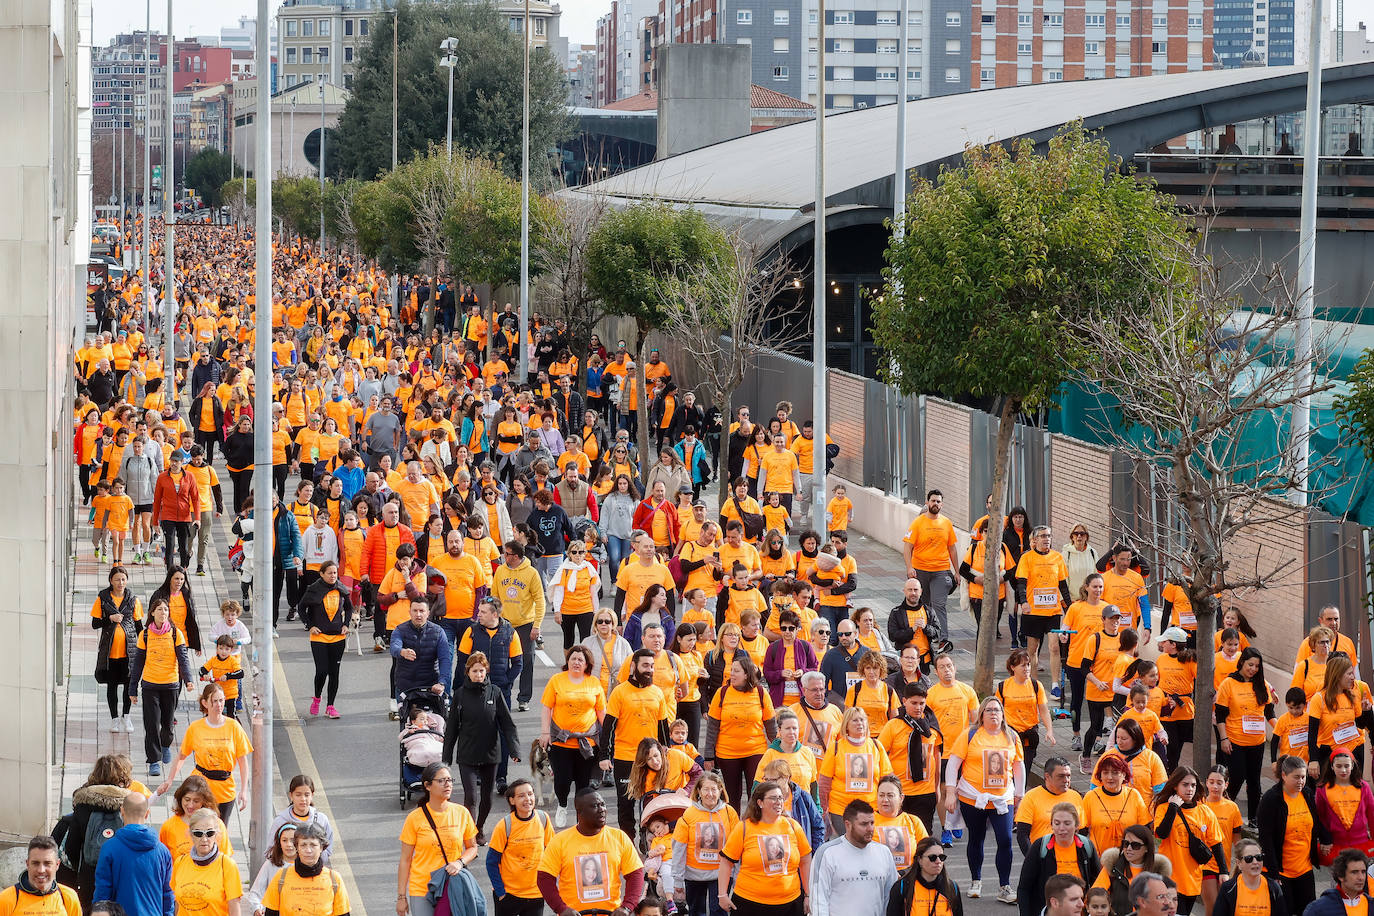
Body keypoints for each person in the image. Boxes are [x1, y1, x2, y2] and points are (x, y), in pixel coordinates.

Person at [944, 696, 1024, 902]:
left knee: (1005, 839)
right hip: (973, 797)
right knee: (976, 838)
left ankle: (1005, 886)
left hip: (1002, 798)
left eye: (997, 710)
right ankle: (975, 881)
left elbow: (1019, 766)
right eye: (989, 710)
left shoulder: (1011, 736)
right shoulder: (970, 735)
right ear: (981, 714)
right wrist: (951, 792)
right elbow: (953, 765)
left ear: (1002, 714)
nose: (993, 713)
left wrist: (1019, 795)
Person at [444, 653, 520, 844]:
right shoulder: (460, 695)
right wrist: (446, 758)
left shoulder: (494, 692)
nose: (478, 674)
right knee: (471, 796)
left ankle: (479, 828)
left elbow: (507, 724)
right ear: (468, 672)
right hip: (467, 753)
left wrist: (514, 750)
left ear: (486, 671)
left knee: (487, 797)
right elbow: (452, 727)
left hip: (490, 753)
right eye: (475, 671)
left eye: (481, 671)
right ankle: (469, 834)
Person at [537, 788, 646, 916]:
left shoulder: (619, 837)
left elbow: (635, 874)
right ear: (579, 813)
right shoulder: (560, 841)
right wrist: (561, 909)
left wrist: (627, 907)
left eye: (603, 804)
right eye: (594, 806)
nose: (602, 809)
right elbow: (544, 878)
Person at [602, 649, 673, 839]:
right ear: (634, 666)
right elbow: (608, 727)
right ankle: (628, 841)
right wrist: (604, 756)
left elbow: (663, 726)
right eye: (645, 665)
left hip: (650, 759)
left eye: (652, 666)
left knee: (651, 802)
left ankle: (646, 838)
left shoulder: (657, 692)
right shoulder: (620, 692)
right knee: (625, 803)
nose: (649, 670)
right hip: (625, 757)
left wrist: (667, 752)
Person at [157, 683, 253, 820]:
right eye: (214, 701)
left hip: (225, 789)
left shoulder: (234, 727)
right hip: (200, 788)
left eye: (221, 700)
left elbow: (243, 762)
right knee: (199, 829)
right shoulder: (196, 728)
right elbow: (182, 756)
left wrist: (244, 790)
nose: (219, 705)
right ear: (205, 703)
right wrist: (169, 780)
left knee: (219, 832)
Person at [718, 782, 813, 916]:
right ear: (760, 802)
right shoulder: (744, 827)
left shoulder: (792, 826)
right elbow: (726, 862)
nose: (778, 802)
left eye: (780, 798)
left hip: (790, 904)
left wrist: (808, 894)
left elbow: (805, 859)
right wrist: (722, 894)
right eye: (773, 798)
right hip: (750, 903)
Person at [397, 763, 479, 916]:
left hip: (451, 885)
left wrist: (459, 863)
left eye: (449, 780)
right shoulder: (414, 818)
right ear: (427, 786)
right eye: (441, 781)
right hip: (422, 887)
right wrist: (401, 897)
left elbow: (472, 847)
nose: (447, 784)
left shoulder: (461, 812)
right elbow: (405, 860)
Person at [540, 644, 608, 827]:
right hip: (561, 742)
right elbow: (547, 708)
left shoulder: (593, 683)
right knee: (562, 781)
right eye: (573, 659)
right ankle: (562, 805)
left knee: (583, 783)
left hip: (586, 743)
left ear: (586, 664)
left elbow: (601, 712)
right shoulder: (557, 680)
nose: (576, 662)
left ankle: (581, 815)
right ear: (567, 661)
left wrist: (609, 737)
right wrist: (545, 732)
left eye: (580, 660)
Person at [128, 597, 194, 777]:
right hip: (150, 685)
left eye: (166, 610)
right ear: (152, 613)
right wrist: (132, 689)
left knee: (167, 724)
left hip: (171, 685)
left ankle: (165, 745)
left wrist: (188, 680)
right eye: (159, 609)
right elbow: (138, 663)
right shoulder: (145, 635)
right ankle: (154, 760)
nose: (163, 612)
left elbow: (183, 659)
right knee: (151, 724)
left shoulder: (175, 633)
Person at [1256, 755, 1328, 915]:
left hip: (1304, 869)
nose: (1301, 781)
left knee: (1308, 912)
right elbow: (1265, 839)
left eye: (1303, 777)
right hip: (1281, 872)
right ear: (1283, 775)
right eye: (1296, 777)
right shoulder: (1271, 799)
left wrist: (1325, 839)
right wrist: (1273, 874)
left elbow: (1315, 820)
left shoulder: (1307, 794)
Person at [704, 657, 777, 811]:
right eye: (731, 670)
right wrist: (709, 756)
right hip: (727, 753)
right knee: (732, 796)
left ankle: (754, 827)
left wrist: (779, 748)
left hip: (755, 750)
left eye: (736, 671)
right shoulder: (722, 692)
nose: (731, 674)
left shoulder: (761, 692)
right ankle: (735, 828)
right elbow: (712, 727)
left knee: (757, 794)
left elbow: (771, 724)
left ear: (747, 674)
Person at [1153, 766, 1228, 916]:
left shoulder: (1204, 811)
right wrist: (1173, 806)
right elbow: (1161, 834)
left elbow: (1216, 843)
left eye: (1193, 785)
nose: (1190, 789)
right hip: (1169, 877)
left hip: (1193, 879)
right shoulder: (1164, 808)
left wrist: (1224, 871)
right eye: (1185, 785)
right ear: (1175, 786)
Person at [1215, 647, 1277, 822]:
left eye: (1257, 666)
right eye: (1250, 664)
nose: (1253, 669)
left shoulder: (1262, 684)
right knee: (1236, 777)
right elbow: (1220, 714)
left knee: (1254, 781)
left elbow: (1269, 713)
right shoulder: (1228, 683)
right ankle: (1222, 811)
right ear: (1241, 662)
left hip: (1257, 741)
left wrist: (1281, 729)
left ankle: (1253, 818)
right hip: (1235, 741)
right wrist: (1223, 738)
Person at [810, 800, 899, 916]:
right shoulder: (827, 853)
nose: (870, 828)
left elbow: (891, 898)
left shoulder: (884, 853)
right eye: (864, 824)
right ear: (848, 825)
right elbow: (818, 901)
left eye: (872, 823)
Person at [93, 793, 174, 916]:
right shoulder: (163, 851)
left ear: (122, 811)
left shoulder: (109, 848)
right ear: (147, 813)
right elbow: (167, 894)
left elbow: (102, 892)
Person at [673, 771, 739, 916]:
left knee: (719, 911)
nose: (710, 794)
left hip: (721, 873)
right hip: (694, 875)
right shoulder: (688, 814)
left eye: (714, 789)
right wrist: (677, 879)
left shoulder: (730, 813)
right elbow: (679, 848)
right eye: (706, 789)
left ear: (720, 790)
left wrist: (737, 874)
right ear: (698, 792)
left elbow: (737, 846)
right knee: (696, 912)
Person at [486, 778, 556, 916]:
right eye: (521, 796)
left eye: (530, 794)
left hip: (536, 893)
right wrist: (500, 892)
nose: (527, 799)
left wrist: (551, 886)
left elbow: (552, 855)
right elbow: (491, 862)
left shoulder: (543, 819)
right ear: (512, 800)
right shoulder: (504, 825)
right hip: (508, 894)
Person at [1016, 802, 1101, 916]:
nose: (1061, 828)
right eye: (1057, 823)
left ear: (1077, 826)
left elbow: (1097, 883)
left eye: (1067, 823)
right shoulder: (1040, 847)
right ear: (1051, 825)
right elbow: (1024, 888)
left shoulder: (1086, 846)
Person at [819, 707, 891, 837]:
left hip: (871, 809)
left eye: (862, 720)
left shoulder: (876, 746)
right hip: (841, 810)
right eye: (855, 720)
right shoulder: (836, 747)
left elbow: (887, 779)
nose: (860, 723)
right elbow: (824, 783)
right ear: (846, 725)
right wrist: (824, 811)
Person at [299, 560, 354, 718]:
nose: (333, 576)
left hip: (338, 637)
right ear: (321, 574)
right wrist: (309, 625)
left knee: (334, 672)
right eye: (329, 573)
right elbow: (301, 608)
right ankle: (317, 698)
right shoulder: (313, 589)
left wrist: (345, 624)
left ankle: (330, 706)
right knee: (322, 671)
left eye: (335, 573)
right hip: (319, 637)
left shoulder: (341, 589)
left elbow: (349, 607)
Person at [92, 565, 143, 734]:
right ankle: (114, 718)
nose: (121, 583)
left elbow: (138, 626)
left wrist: (144, 648)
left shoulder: (133, 599)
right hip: (110, 652)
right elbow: (95, 623)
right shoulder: (103, 598)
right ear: (111, 581)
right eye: (117, 580)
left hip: (129, 652)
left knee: (129, 686)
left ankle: (126, 716)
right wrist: (110, 618)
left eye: (123, 579)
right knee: (111, 686)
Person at [902, 490, 959, 636]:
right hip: (920, 570)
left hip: (941, 570)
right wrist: (909, 568)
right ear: (927, 503)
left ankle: (942, 638)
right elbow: (907, 547)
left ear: (942, 504)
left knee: (939, 604)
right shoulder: (918, 522)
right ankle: (927, 634)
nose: (935, 504)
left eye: (938, 501)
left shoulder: (946, 523)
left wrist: (957, 572)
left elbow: (952, 549)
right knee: (924, 604)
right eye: (933, 501)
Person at [264, 822, 349, 916]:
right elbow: (270, 913)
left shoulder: (334, 879)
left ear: (321, 848)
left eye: (313, 845)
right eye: (303, 845)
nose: (308, 850)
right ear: (297, 848)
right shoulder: (281, 877)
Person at [169, 809, 242, 916]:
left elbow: (235, 909)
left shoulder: (227, 865)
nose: (204, 839)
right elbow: (178, 905)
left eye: (210, 833)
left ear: (217, 834)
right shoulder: (180, 862)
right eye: (198, 833)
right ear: (191, 834)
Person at [1092, 825, 1173, 916]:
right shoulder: (1112, 868)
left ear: (1147, 848)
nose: (1129, 848)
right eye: (1126, 844)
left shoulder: (1159, 874)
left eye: (1135, 845)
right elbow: (1094, 897)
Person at [1314, 746, 1374, 858]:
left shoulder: (1363, 787)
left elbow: (1371, 813)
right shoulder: (1322, 789)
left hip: (1361, 842)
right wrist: (1325, 840)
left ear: (1352, 766)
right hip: (1336, 844)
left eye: (1347, 766)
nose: (1343, 770)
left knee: (1359, 874)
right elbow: (1320, 817)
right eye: (1339, 766)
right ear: (1332, 766)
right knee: (1340, 874)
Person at [1014, 758, 1084, 853]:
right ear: (1047, 776)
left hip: (1070, 859)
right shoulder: (1031, 797)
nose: (1066, 780)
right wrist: (1032, 860)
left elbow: (1082, 830)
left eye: (1068, 776)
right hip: (1043, 857)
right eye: (1061, 776)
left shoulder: (1075, 796)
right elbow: (1022, 834)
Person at [391, 600, 453, 707]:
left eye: (422, 611)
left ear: (428, 613)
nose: (418, 614)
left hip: (430, 686)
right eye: (415, 611)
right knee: (408, 721)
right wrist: (402, 652)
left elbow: (445, 659)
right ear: (409, 612)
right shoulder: (400, 630)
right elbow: (394, 647)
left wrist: (442, 682)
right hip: (406, 686)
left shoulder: (438, 632)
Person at [0, 836, 81, 916]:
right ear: (27, 864)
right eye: (35, 863)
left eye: (47, 863)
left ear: (57, 865)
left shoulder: (69, 897)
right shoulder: (6, 900)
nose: (41, 870)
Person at [158, 775, 232, 862]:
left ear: (204, 801)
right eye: (187, 799)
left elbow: (225, 859)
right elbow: (162, 860)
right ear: (180, 798)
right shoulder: (168, 827)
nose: (190, 805)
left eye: (196, 801)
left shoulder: (217, 825)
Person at [885, 836, 965, 916]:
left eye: (941, 857)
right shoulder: (902, 887)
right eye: (932, 858)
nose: (938, 861)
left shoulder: (952, 888)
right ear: (919, 860)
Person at [1212, 838, 1285, 916]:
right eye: (1249, 859)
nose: (1255, 862)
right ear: (1239, 863)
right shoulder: (1228, 888)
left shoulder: (1273, 888)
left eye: (1259, 857)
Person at [1301, 848, 1372, 916]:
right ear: (1341, 876)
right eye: (1354, 872)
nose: (1361, 877)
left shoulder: (1371, 905)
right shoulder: (1318, 909)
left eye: (1363, 872)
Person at [244, 825, 296, 916]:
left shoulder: (305, 866)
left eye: (293, 840)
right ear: (279, 843)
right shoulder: (270, 865)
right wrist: (257, 908)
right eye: (284, 840)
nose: (289, 844)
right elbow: (255, 892)